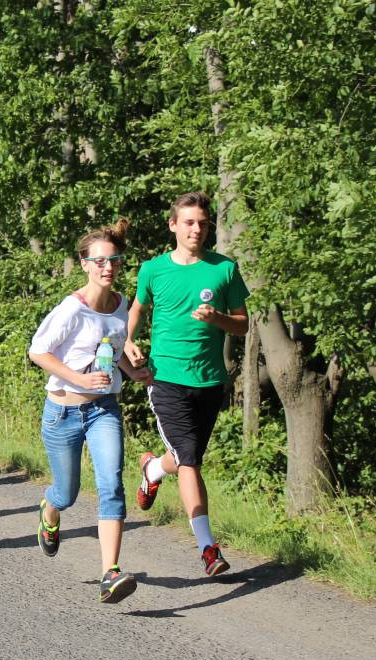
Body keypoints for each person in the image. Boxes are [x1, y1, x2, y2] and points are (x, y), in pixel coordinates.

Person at [124, 191, 250, 577]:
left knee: (185, 457)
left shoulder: (224, 269)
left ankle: (152, 470)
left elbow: (242, 324)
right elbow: (138, 308)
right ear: (173, 225)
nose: (197, 229)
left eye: (203, 223)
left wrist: (217, 319)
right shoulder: (153, 270)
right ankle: (208, 549)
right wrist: (128, 341)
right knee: (190, 460)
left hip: (209, 380)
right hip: (165, 378)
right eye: (190, 222)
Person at [28, 219, 152, 603]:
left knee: (111, 484)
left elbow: (111, 350)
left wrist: (134, 372)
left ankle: (109, 572)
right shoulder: (71, 310)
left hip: (103, 410)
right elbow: (38, 352)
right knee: (66, 494)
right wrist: (78, 379)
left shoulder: (120, 306)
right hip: (63, 411)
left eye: (113, 261)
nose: (107, 267)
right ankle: (50, 510)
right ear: (84, 264)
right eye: (99, 261)